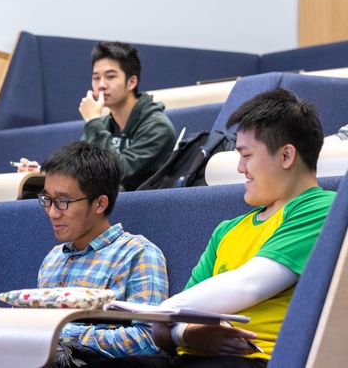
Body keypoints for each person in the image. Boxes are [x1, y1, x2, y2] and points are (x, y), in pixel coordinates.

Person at [106, 88, 336, 368]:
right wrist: (190, 335)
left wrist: (166, 313)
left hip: (257, 359)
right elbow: (162, 331)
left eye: (246, 155)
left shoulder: (323, 208)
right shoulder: (227, 230)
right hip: (189, 357)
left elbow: (249, 285)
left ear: (287, 156)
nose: (240, 168)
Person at [37, 141, 169, 365]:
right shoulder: (53, 258)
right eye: (47, 199)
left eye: (62, 202)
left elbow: (149, 338)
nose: (52, 212)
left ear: (100, 204)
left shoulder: (136, 254)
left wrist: (62, 334)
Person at [18, 41, 176, 191]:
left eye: (110, 76)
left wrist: (93, 120)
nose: (101, 85)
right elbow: (78, 170)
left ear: (132, 82)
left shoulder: (157, 126)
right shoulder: (103, 124)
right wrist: (43, 174)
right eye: (96, 78)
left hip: (146, 209)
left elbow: (117, 173)